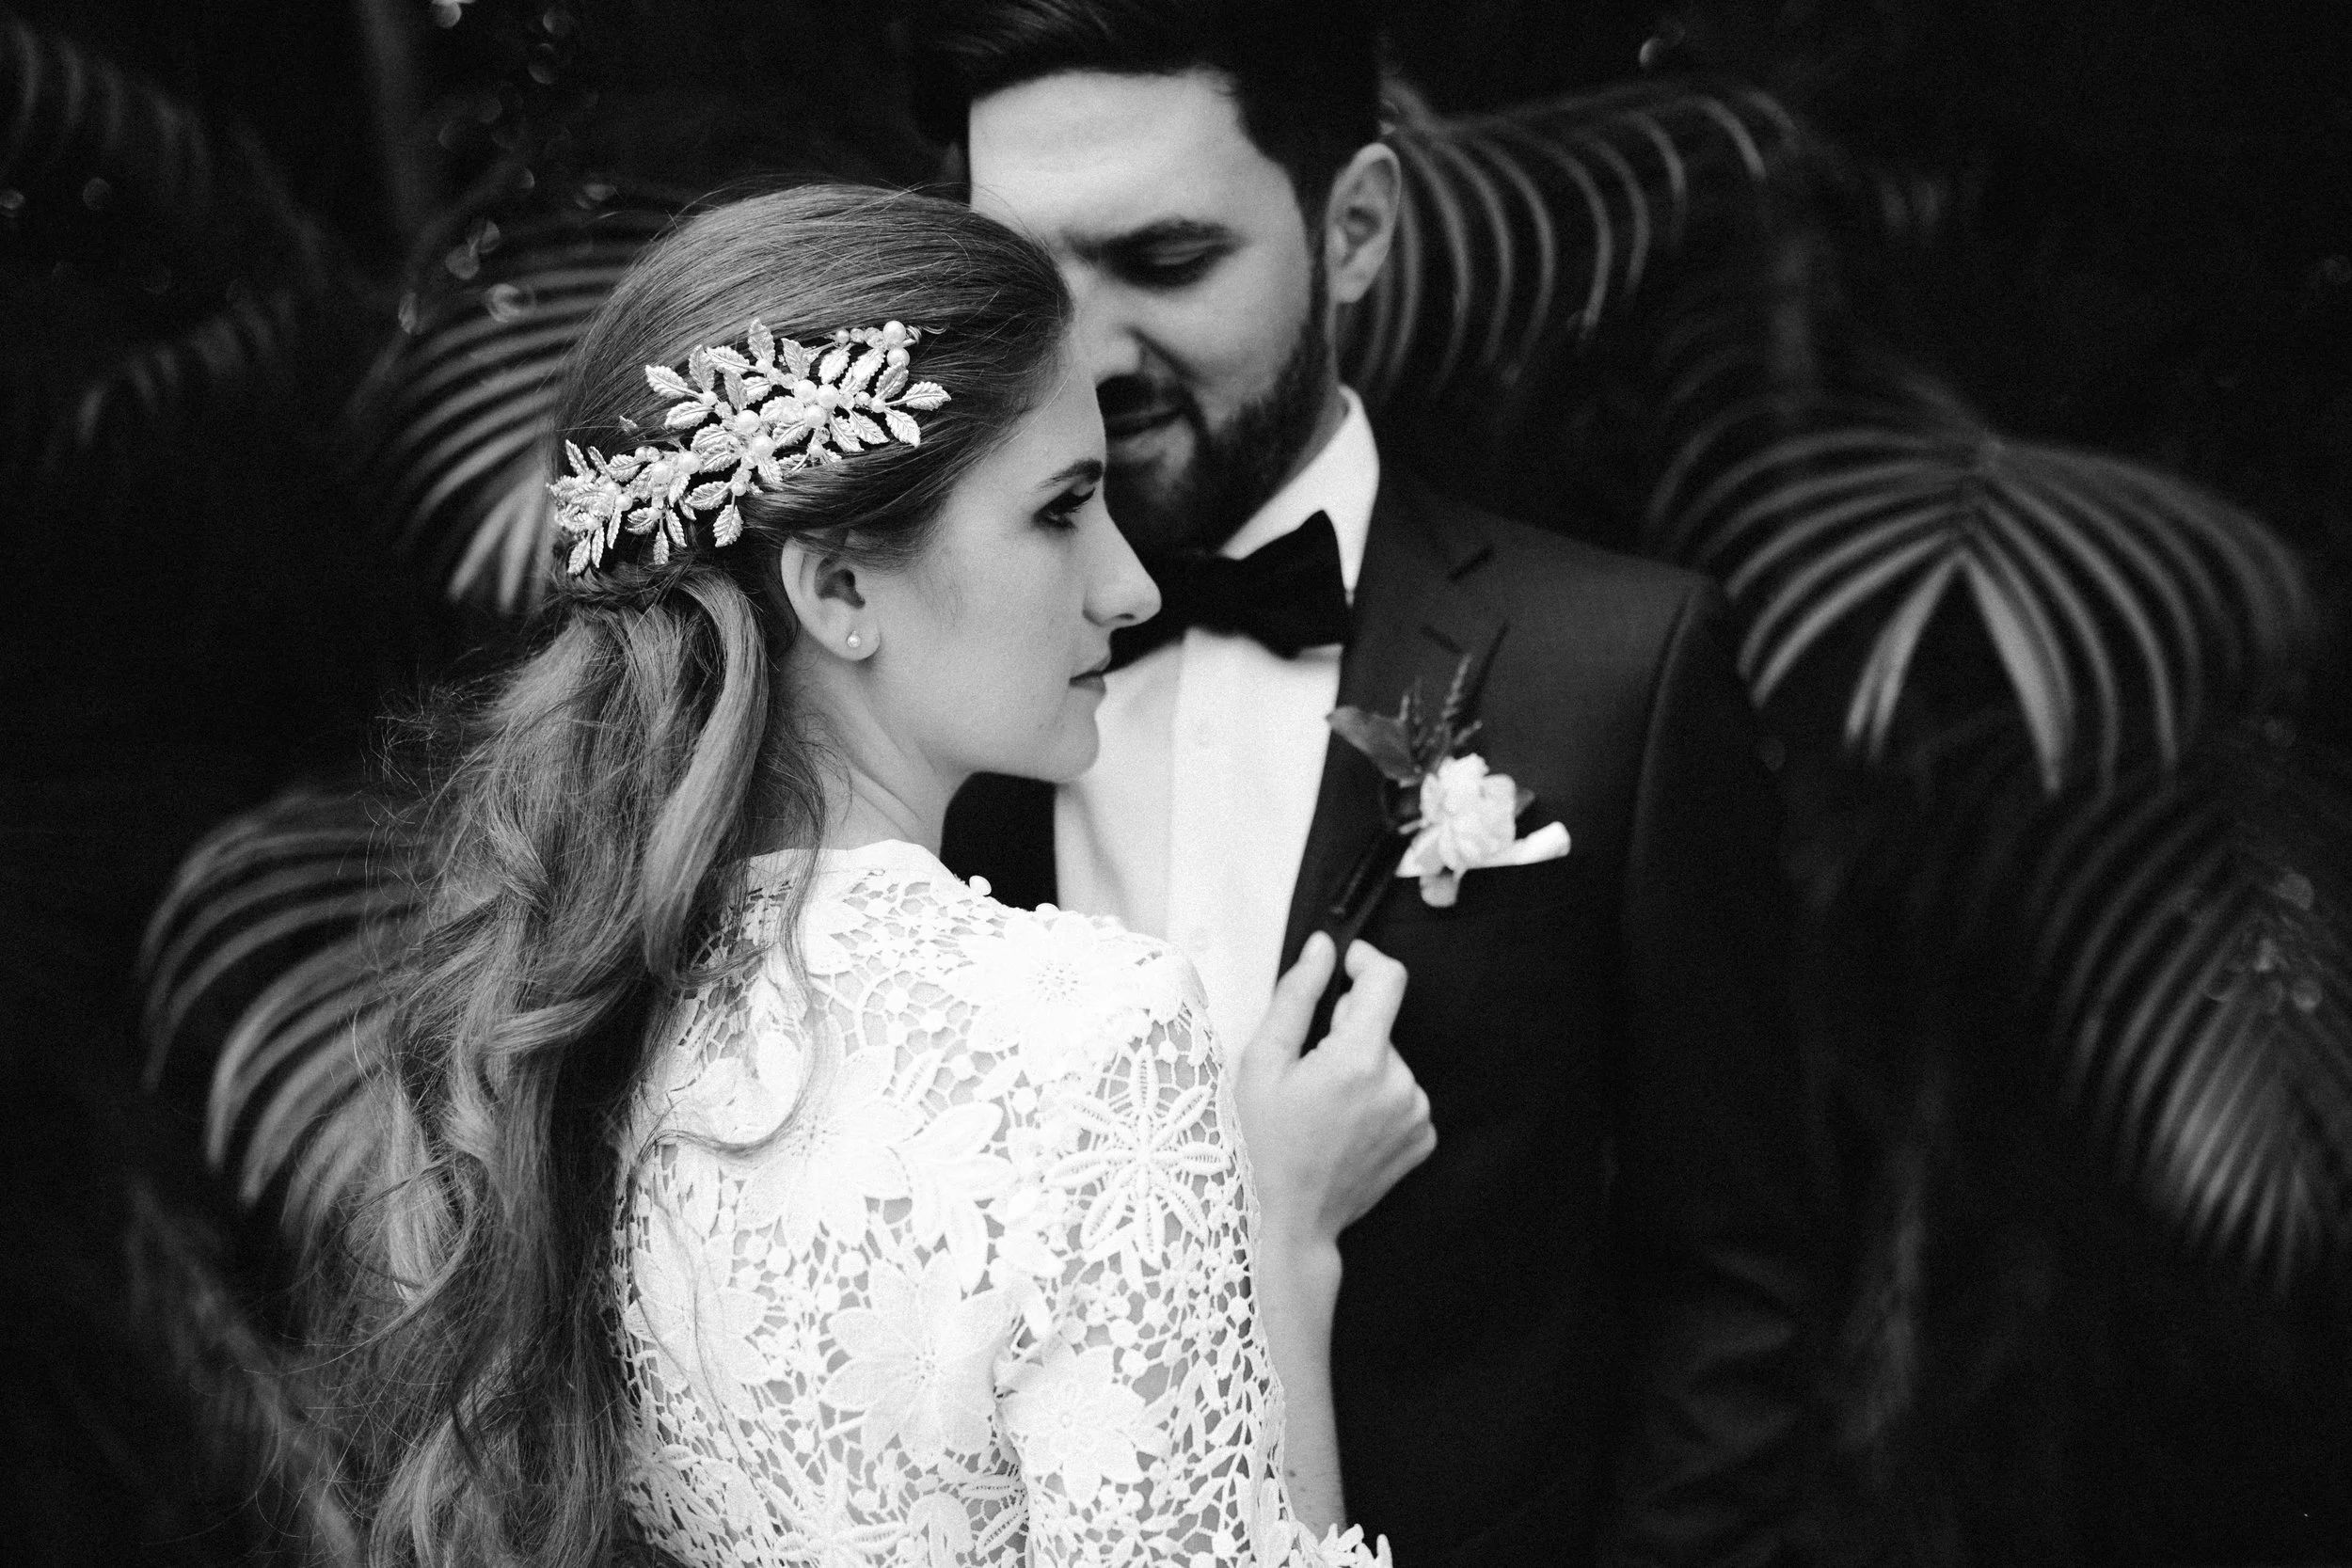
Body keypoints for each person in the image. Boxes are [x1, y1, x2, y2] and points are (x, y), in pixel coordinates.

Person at [297, 184, 1440, 1568]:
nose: (1131, 585)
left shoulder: (568, 1030)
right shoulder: (1094, 1038)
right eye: (1062, 511)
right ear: (839, 592)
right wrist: (1285, 1243)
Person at [915, 3, 1820, 1562]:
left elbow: (1734, 1288)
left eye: (1165, 260)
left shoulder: (1619, 673)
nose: (1084, 353)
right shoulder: (906, 684)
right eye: (1021, 272)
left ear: (1355, 228)